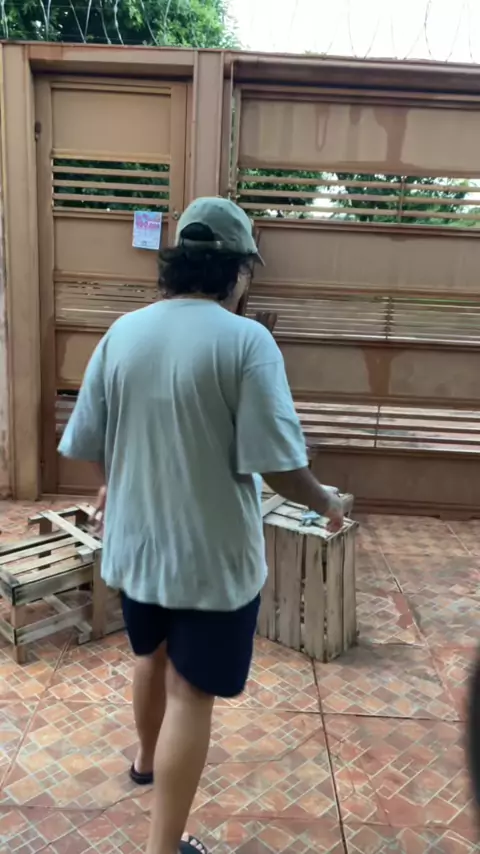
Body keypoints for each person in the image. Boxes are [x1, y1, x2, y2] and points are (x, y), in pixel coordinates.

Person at [59, 197, 344, 854]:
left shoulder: (123, 332)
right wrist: (326, 501)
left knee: (149, 656)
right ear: (236, 271)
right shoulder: (245, 341)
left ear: (176, 262)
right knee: (191, 693)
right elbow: (279, 466)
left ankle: (145, 761)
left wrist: (113, 481)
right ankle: (163, 847)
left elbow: (93, 438)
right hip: (212, 563)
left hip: (137, 549)